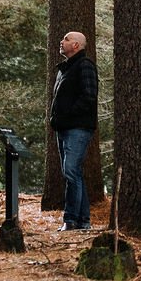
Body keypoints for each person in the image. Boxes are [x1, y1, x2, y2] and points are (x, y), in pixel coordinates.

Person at [50, 29, 98, 232]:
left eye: (66, 39)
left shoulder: (85, 66)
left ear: (76, 45)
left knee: (71, 172)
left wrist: (68, 114)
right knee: (73, 173)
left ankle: (70, 221)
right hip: (64, 128)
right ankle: (83, 221)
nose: (62, 41)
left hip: (78, 128)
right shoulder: (65, 69)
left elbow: (89, 97)